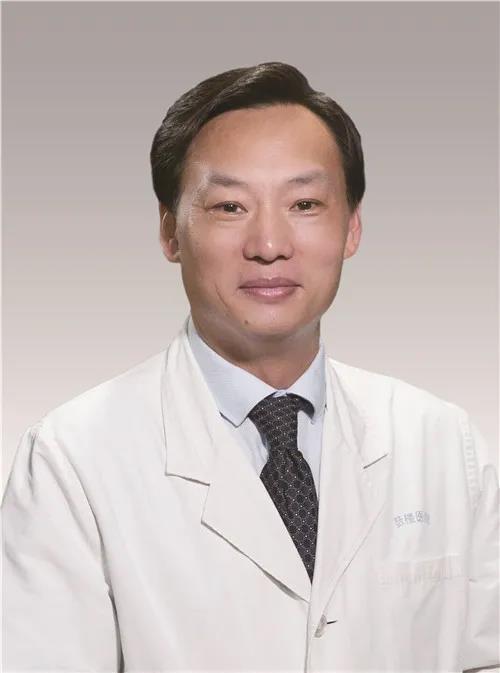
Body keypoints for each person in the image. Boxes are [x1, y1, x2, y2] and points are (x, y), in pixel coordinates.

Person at [2, 61, 498, 673]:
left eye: (305, 203)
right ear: (170, 231)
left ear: (352, 227)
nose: (269, 245)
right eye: (230, 206)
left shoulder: (442, 442)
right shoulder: (72, 461)